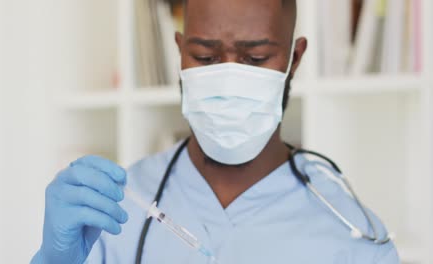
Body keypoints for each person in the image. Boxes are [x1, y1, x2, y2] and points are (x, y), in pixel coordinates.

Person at [31, 0, 400, 263]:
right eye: (205, 58)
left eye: (255, 58)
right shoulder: (118, 207)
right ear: (180, 53)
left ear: (294, 59)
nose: (227, 76)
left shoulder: (354, 237)